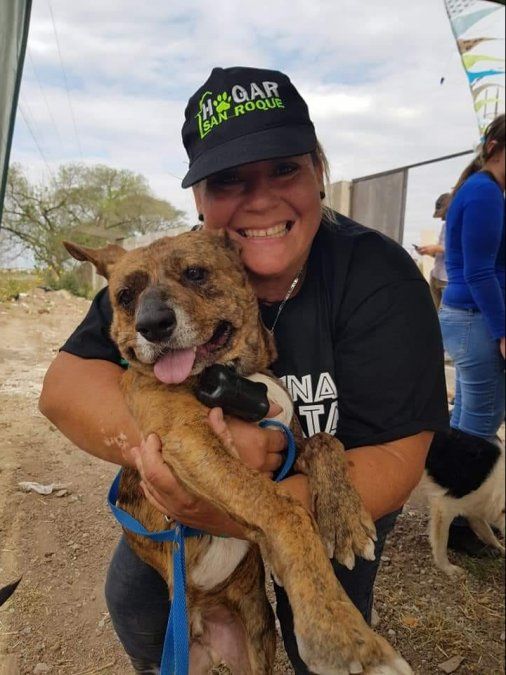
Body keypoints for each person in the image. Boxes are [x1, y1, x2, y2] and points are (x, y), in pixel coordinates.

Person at [39, 66, 449, 673]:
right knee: (133, 601)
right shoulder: (158, 274)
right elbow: (62, 389)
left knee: (325, 629)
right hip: (180, 519)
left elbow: (397, 451)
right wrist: (182, 454)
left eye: (284, 169)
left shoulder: (378, 278)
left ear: (319, 171)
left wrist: (260, 510)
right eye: (229, 180)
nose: (259, 199)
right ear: (200, 202)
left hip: (337, 488)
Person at [438, 113, 505, 558]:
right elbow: (481, 271)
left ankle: (454, 515)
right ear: (496, 148)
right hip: (476, 320)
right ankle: (461, 524)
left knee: (467, 424)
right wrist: (503, 330)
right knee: (479, 429)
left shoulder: (481, 189)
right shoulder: (485, 193)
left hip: (468, 318)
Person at [417, 192, 451, 310]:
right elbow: (443, 252)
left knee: (443, 314)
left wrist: (435, 248)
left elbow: (454, 249)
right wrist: (429, 251)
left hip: (447, 279)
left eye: (443, 214)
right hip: (437, 276)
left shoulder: (459, 225)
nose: (441, 218)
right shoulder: (445, 226)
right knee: (432, 312)